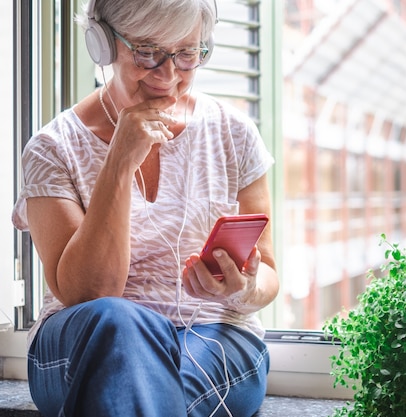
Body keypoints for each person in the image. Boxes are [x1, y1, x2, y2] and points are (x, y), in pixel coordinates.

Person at [11, 0, 279, 416]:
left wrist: (242, 287)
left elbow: (268, 276)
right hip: (85, 340)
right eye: (149, 52)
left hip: (211, 335)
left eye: (188, 53)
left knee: (130, 389)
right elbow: (88, 294)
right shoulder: (52, 150)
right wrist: (119, 161)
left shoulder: (235, 134)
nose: (169, 75)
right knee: (117, 323)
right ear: (102, 44)